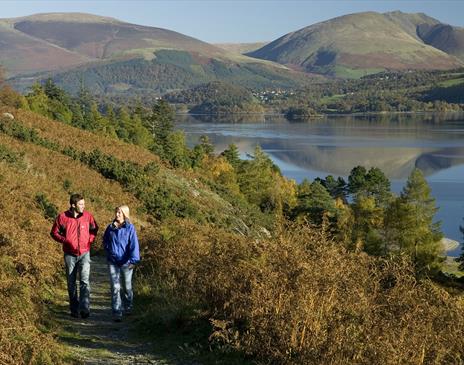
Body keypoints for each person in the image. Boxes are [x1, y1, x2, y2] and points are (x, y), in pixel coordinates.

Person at [50, 193, 98, 319]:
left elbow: (94, 229)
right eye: (81, 204)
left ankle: (85, 309)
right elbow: (54, 232)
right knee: (71, 283)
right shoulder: (62, 217)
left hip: (85, 253)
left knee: (84, 281)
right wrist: (64, 240)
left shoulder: (88, 216)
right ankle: (74, 309)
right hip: (69, 255)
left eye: (84, 204)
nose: (83, 206)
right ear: (73, 205)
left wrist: (89, 240)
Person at [103, 205, 140, 322]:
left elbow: (134, 245)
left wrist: (134, 260)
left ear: (125, 214)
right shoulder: (110, 227)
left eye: (119, 212)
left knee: (127, 287)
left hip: (127, 262)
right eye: (116, 212)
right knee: (115, 287)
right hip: (113, 262)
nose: (117, 214)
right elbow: (105, 240)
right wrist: (109, 251)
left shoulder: (130, 228)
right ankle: (117, 311)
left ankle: (128, 306)